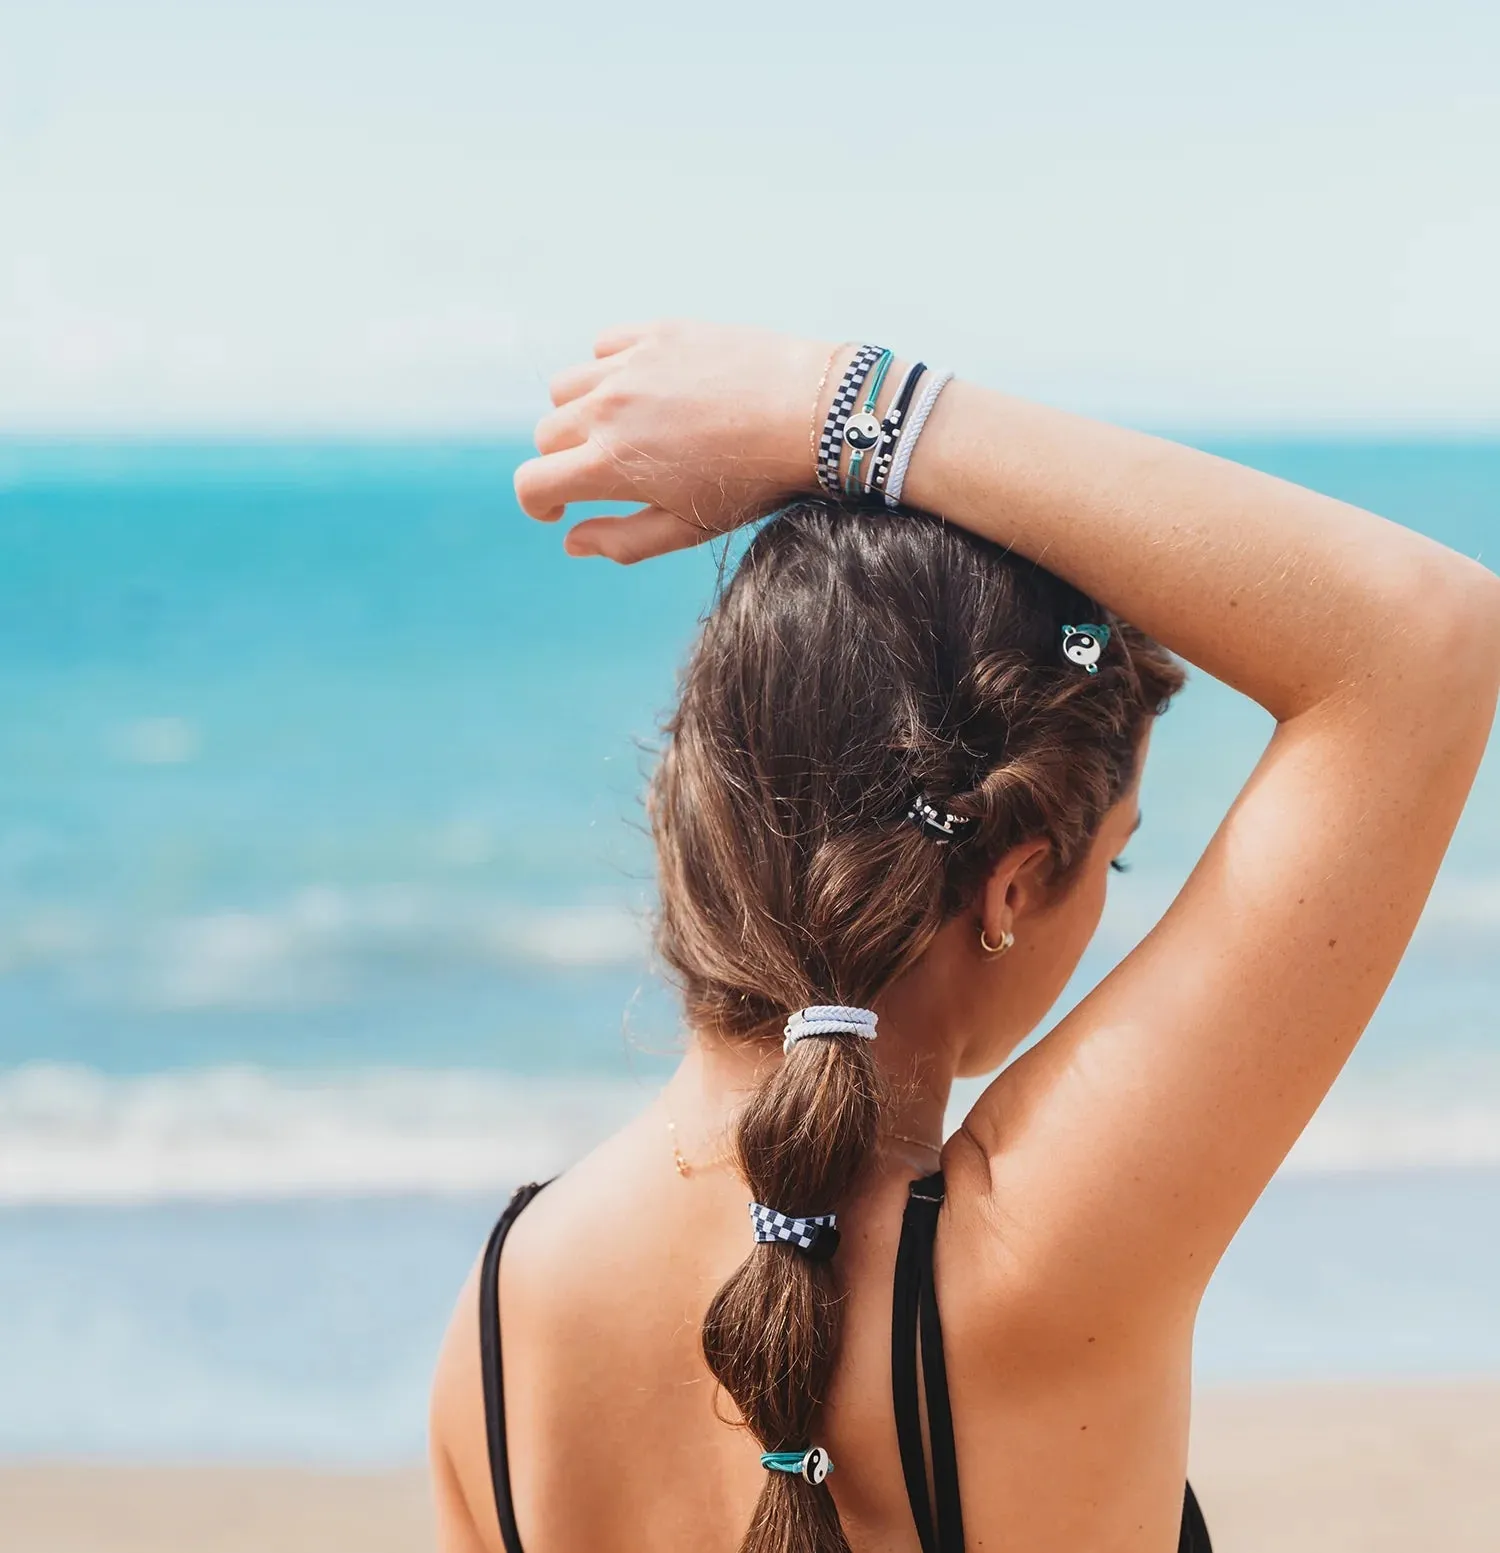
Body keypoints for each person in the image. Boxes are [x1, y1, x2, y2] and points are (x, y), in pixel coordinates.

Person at [429, 323, 1500, 1553]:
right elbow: (1425, 634)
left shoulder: (501, 1319)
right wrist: (832, 409)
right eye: (1117, 855)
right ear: (1014, 883)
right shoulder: (1029, 1259)